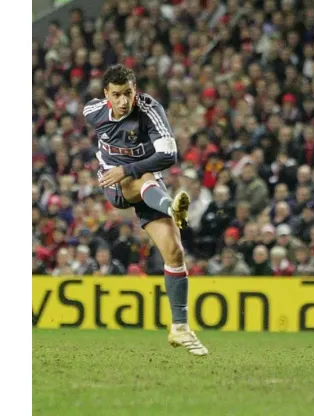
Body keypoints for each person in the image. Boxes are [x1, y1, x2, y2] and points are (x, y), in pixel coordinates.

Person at [83, 64, 208, 356]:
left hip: (145, 185)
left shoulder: (149, 110)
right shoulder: (93, 112)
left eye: (129, 93)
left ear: (135, 90)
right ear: (106, 95)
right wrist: (118, 169)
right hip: (117, 186)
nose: (124, 101)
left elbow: (170, 154)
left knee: (174, 251)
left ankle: (179, 328)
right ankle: (171, 205)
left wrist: (127, 167)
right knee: (142, 179)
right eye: (117, 95)